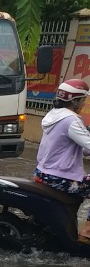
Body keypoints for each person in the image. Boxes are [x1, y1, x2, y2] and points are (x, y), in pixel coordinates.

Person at [34, 77, 90, 238]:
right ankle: (87, 232)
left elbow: (82, 149)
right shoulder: (71, 120)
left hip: (44, 173)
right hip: (59, 178)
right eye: (83, 100)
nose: (84, 103)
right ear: (75, 101)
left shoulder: (54, 115)